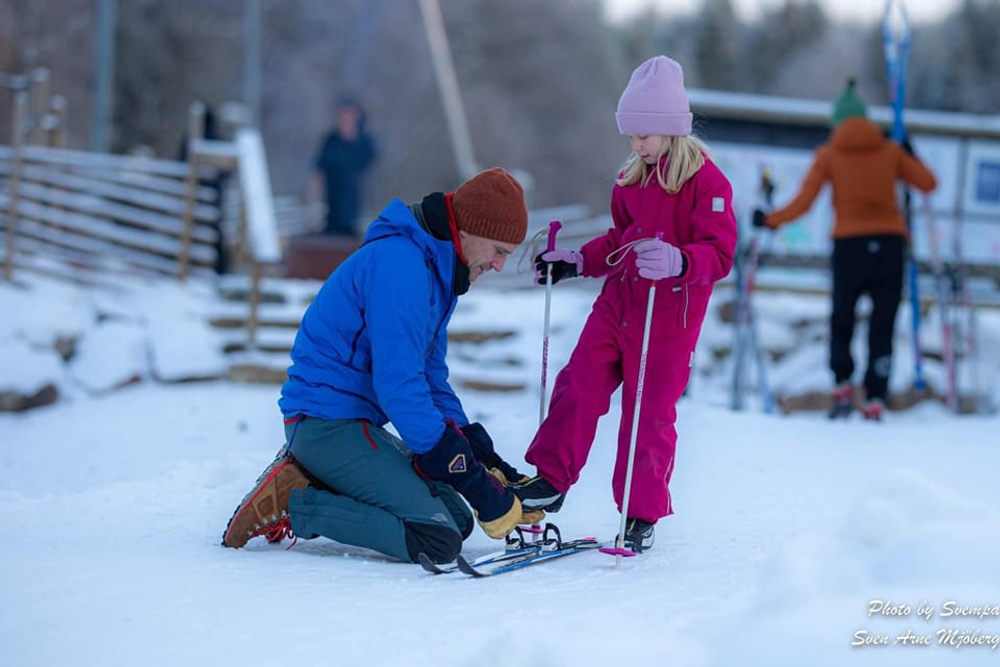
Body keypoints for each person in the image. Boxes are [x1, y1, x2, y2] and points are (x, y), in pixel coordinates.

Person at [222, 167, 543, 565]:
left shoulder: (437, 273)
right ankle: (299, 502)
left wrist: (481, 457)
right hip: (325, 422)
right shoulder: (402, 266)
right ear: (471, 230)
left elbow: (430, 378)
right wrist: (468, 477)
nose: (498, 265)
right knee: (436, 538)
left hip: (354, 424)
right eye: (498, 251)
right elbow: (399, 386)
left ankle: (320, 479)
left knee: (457, 519)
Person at [511, 56, 737, 554]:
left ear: (672, 131)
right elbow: (619, 240)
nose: (635, 145)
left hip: (669, 320)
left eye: (643, 135)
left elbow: (720, 255)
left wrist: (680, 260)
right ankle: (550, 478)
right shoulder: (631, 178)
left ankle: (640, 512)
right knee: (578, 383)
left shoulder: (708, 184)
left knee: (647, 413)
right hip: (619, 305)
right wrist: (574, 262)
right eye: (630, 135)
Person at [751, 78, 937, 421]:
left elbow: (804, 202)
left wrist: (771, 220)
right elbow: (928, 183)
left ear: (838, 122)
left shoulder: (829, 155)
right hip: (890, 246)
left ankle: (842, 386)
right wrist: (910, 151)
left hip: (849, 247)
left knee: (842, 319)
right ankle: (876, 397)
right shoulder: (891, 151)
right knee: (883, 322)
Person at [310, 96, 377, 237]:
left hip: (353, 187)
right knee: (333, 216)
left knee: (349, 215)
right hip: (333, 186)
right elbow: (321, 161)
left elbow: (370, 158)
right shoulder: (332, 139)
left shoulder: (363, 140)